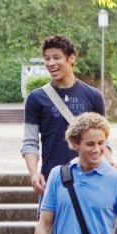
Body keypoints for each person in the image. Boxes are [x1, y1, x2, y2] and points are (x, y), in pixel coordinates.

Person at [22, 35, 107, 197]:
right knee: (48, 223)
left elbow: (104, 139)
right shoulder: (36, 98)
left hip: (90, 178)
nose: (50, 63)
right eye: (46, 59)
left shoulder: (93, 96)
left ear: (71, 58)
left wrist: (109, 161)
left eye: (56, 57)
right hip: (53, 180)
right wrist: (34, 173)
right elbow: (30, 142)